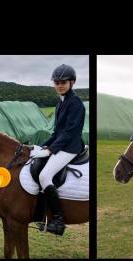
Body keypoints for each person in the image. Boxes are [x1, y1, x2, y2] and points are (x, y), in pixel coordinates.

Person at [29, 64, 86, 236]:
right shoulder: (60, 103)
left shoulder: (76, 104)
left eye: (63, 82)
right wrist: (43, 145)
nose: (59, 85)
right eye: (57, 82)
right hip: (62, 143)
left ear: (72, 82)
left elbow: (69, 133)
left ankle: (58, 221)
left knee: (44, 176)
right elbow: (57, 132)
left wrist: (50, 150)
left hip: (71, 147)